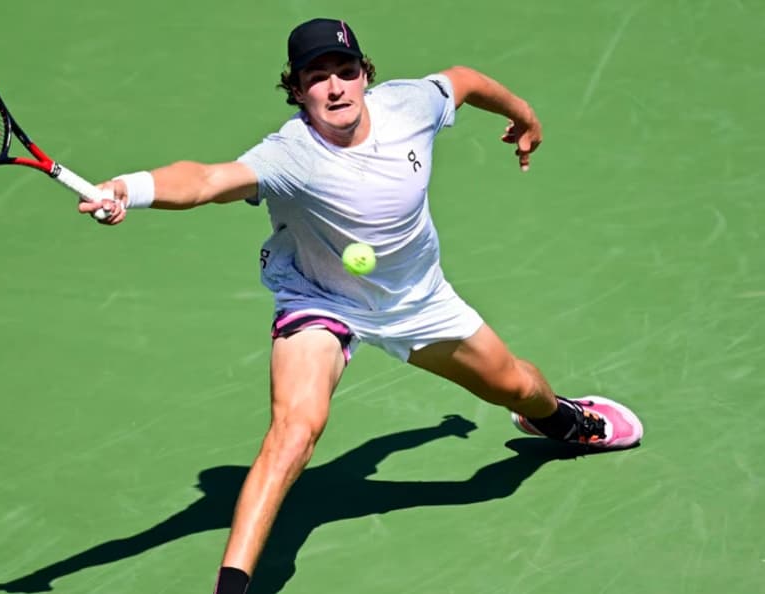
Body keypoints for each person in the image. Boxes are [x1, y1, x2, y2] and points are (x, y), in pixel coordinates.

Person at [77, 17, 644, 594]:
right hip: (320, 299)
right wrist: (131, 187)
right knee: (295, 431)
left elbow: (465, 80)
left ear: (365, 75)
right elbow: (203, 180)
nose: (335, 87)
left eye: (345, 72)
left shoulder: (409, 106)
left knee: (518, 390)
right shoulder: (289, 156)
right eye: (316, 77)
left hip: (419, 301)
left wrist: (521, 112)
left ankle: (563, 420)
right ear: (297, 91)